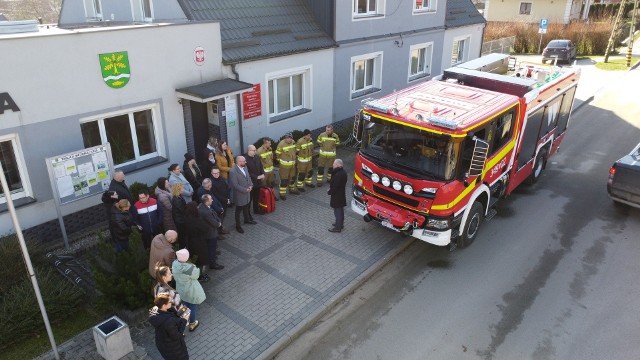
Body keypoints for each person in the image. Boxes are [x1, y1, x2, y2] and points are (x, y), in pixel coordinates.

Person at [172, 249, 206, 332]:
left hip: (181, 289)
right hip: (190, 290)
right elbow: (196, 276)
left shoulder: (174, 264)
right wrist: (193, 266)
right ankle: (192, 323)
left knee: (185, 305)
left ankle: (184, 321)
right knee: (192, 306)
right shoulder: (189, 268)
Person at [149, 292, 189, 360]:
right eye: (170, 301)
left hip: (163, 346)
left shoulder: (155, 311)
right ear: (164, 305)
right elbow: (178, 336)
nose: (172, 302)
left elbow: (167, 315)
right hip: (174, 350)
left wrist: (179, 312)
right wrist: (184, 320)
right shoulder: (168, 322)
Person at [228, 155, 256, 234]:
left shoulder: (245, 167)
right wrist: (245, 190)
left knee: (246, 206)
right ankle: (238, 226)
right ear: (239, 162)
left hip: (247, 192)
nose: (245, 162)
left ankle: (246, 220)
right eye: (244, 161)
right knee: (238, 210)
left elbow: (248, 177)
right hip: (240, 194)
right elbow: (235, 185)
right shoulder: (233, 171)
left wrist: (251, 185)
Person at [183, 201, 211, 282]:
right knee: (201, 261)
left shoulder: (186, 217)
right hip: (199, 242)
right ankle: (200, 276)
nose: (198, 208)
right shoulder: (196, 220)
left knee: (196, 259)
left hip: (191, 242)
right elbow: (206, 228)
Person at [198, 194, 224, 271]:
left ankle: (211, 257)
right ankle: (213, 264)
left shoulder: (201, 206)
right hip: (210, 233)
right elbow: (215, 223)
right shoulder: (206, 212)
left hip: (206, 232)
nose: (212, 200)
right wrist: (219, 223)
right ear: (206, 201)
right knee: (211, 248)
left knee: (211, 247)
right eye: (210, 199)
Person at [275, 132, 298, 200]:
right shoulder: (281, 144)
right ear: (285, 138)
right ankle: (282, 194)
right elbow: (278, 154)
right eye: (287, 138)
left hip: (292, 165)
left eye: (290, 138)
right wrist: (281, 161)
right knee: (284, 180)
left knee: (292, 178)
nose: (289, 139)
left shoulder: (293, 142)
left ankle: (292, 190)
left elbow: (295, 151)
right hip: (284, 166)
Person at [327, 159, 348, 233]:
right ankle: (340, 224)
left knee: (337, 211)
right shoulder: (343, 172)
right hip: (341, 195)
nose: (333, 165)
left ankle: (337, 227)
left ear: (339, 165)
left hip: (337, 196)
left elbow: (335, 186)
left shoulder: (338, 174)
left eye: (334, 164)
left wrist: (329, 191)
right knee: (340, 210)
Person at [244, 145, 265, 215]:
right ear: (249, 151)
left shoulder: (257, 157)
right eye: (254, 150)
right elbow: (247, 172)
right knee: (249, 199)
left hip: (258, 182)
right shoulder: (245, 159)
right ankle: (248, 214)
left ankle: (256, 210)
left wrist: (263, 174)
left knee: (257, 197)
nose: (255, 152)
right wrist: (257, 177)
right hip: (250, 183)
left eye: (255, 150)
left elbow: (261, 166)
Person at [215, 140, 235, 205]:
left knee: (231, 187)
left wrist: (233, 166)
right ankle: (227, 202)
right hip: (224, 174)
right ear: (220, 146)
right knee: (226, 189)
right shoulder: (217, 155)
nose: (226, 146)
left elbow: (232, 159)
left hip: (231, 173)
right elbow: (219, 167)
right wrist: (230, 169)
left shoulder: (228, 151)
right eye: (224, 145)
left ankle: (232, 201)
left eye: (226, 144)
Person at [171, 183, 188, 249]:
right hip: (180, 221)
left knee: (182, 234)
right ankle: (183, 247)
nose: (183, 189)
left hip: (179, 219)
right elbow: (183, 210)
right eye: (182, 188)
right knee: (182, 235)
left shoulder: (178, 197)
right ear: (178, 189)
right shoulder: (177, 199)